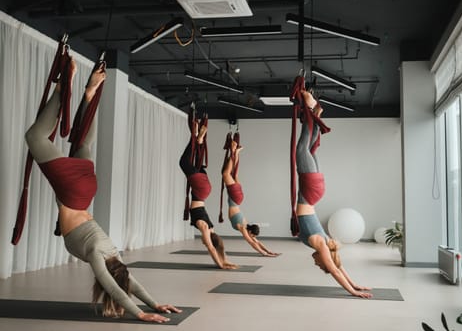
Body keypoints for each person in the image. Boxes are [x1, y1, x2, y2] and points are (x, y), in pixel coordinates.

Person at [24, 58, 181, 323]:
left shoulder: (113, 252)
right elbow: (113, 287)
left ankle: (90, 94)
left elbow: (130, 282)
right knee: (35, 138)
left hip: (86, 192)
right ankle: (64, 88)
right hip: (73, 193)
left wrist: (155, 303)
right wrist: (141, 312)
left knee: (83, 141)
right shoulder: (98, 255)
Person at [293, 88, 372, 299]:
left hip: (316, 192)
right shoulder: (321, 245)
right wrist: (353, 291)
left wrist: (357, 284)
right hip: (310, 192)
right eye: (320, 265)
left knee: (309, 151)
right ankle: (309, 106)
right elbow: (335, 270)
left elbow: (340, 266)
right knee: (301, 150)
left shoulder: (327, 243)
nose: (316, 263)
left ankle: (316, 113)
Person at [179, 110, 238, 269]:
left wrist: (224, 258)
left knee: (195, 163)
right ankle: (196, 138)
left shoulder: (212, 228)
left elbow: (217, 246)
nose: (203, 242)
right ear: (209, 238)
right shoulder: (205, 228)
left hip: (204, 190)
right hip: (200, 190)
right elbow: (212, 248)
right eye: (205, 242)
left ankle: (198, 142)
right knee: (184, 163)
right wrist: (221, 264)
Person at [221, 139, 279, 256]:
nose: (252, 237)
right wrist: (264, 254)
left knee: (234, 174)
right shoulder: (242, 227)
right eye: (252, 235)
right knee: (226, 174)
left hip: (239, 198)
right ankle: (234, 151)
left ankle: (236, 152)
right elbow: (251, 243)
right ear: (250, 231)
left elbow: (256, 241)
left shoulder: (246, 225)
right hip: (235, 197)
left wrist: (269, 251)